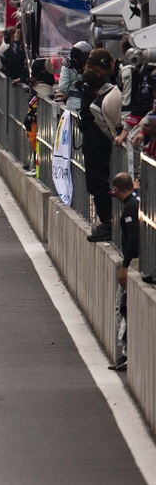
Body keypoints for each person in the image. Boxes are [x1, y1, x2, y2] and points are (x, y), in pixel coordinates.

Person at [81, 48, 119, 242]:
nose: (98, 75)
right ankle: (107, 222)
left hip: (101, 138)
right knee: (95, 182)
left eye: (98, 71)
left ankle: (109, 223)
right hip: (93, 137)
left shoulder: (116, 82)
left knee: (99, 182)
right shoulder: (88, 84)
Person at [114, 38, 156, 181]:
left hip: (148, 117)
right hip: (149, 116)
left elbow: (143, 102)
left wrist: (126, 130)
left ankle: (135, 181)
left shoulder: (148, 68)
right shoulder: (143, 68)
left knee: (133, 139)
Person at [109, 172, 138, 372]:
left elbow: (133, 240)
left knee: (124, 308)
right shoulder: (134, 200)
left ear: (117, 189)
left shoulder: (130, 208)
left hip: (133, 263)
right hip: (134, 261)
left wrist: (125, 266)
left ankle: (127, 354)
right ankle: (125, 353)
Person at [55, 41, 89, 114]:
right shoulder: (93, 65)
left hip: (73, 106)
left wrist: (69, 92)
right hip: (90, 105)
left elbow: (63, 87)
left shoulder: (68, 65)